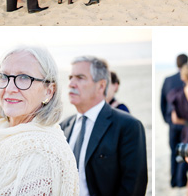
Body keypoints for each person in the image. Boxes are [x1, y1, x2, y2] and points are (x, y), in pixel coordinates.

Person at [0, 46, 78, 196]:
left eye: (24, 78)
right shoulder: (1, 133)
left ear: (48, 91)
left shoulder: (41, 155)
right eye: (3, 76)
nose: (9, 88)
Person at [60, 56, 148, 196]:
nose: (71, 83)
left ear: (101, 86)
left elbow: (133, 186)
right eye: (70, 77)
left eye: (80, 77)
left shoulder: (128, 126)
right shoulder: (64, 126)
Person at [161, 53, 188, 189]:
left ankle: (173, 182)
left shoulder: (168, 80)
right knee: (184, 151)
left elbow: (162, 102)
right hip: (186, 123)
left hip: (172, 124)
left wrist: (167, 120)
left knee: (173, 152)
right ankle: (181, 181)